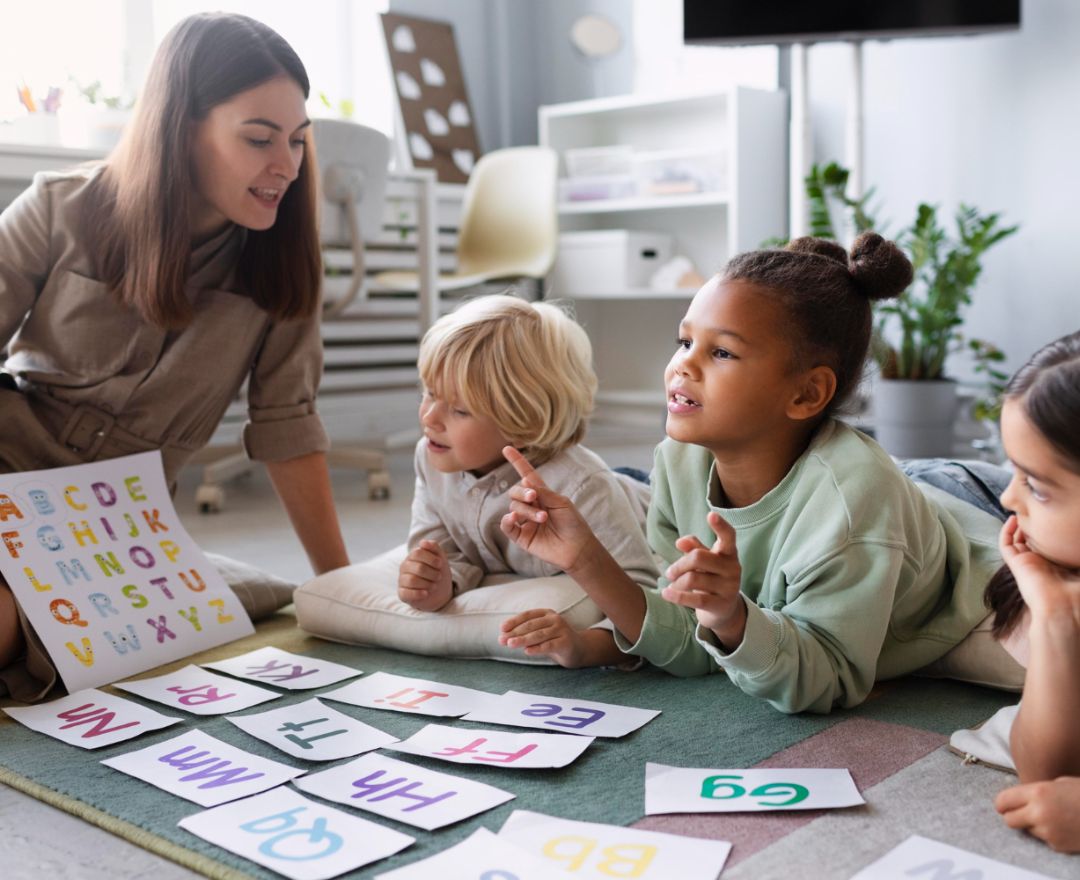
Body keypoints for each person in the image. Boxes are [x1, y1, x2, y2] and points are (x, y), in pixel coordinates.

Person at [500, 233, 1020, 713]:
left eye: (721, 351)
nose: (682, 365)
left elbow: (828, 679)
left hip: (975, 499)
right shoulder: (678, 460)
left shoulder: (853, 506)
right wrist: (584, 556)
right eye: (684, 342)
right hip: (900, 484)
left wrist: (731, 616)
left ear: (806, 394)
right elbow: (688, 638)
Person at [0, 12, 349, 702]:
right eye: (258, 138)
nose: (285, 165)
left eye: (298, 142)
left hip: (112, 537)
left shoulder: (282, 268)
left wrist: (346, 592)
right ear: (181, 127)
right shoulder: (60, 208)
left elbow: (288, 428)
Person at [398, 294, 656, 667]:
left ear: (523, 423)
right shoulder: (431, 455)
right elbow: (441, 546)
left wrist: (584, 646)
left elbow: (643, 600)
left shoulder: (583, 487)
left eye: (459, 409)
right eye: (429, 393)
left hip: (643, 498)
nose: (430, 418)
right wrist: (438, 581)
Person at [974, 331, 1080, 853]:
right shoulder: (1060, 581)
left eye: (1035, 485)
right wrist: (1055, 615)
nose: (1009, 496)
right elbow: (1043, 775)